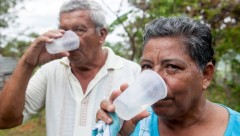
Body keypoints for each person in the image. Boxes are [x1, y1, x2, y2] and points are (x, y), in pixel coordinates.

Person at [0, 0, 141, 135]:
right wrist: (28, 63)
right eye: (64, 31)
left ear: (101, 35)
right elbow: (5, 120)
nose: (69, 38)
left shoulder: (132, 72)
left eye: (79, 30)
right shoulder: (50, 71)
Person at [96, 16, 240, 135]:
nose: (153, 81)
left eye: (172, 67)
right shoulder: (131, 125)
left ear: (206, 75)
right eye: (147, 67)